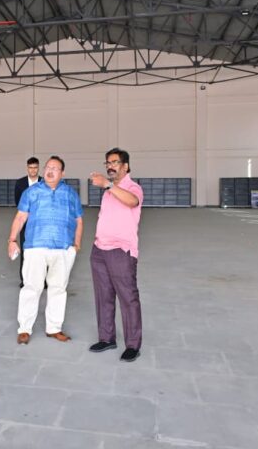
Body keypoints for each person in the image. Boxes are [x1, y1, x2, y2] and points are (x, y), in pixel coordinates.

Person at [7, 156, 83, 345]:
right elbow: (20, 217)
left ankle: (54, 328)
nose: (50, 171)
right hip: (35, 247)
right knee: (31, 288)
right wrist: (12, 240)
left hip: (63, 248)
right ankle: (24, 328)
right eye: (48, 167)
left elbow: (78, 220)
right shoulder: (31, 192)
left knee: (58, 289)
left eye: (55, 168)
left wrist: (76, 245)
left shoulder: (70, 193)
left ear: (62, 173)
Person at [88, 148, 144, 362]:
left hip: (121, 251)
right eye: (107, 163)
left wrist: (108, 185)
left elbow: (132, 201)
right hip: (100, 250)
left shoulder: (133, 187)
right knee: (103, 296)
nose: (110, 166)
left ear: (125, 166)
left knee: (128, 298)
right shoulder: (108, 191)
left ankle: (133, 345)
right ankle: (106, 338)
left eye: (114, 162)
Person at [13, 157, 41, 288]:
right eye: (31, 168)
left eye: (35, 167)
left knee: (41, 251)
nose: (33, 170)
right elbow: (18, 202)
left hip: (41, 223)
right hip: (25, 223)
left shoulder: (44, 182)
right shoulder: (20, 183)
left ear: (38, 168)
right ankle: (24, 279)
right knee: (26, 251)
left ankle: (42, 280)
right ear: (27, 168)